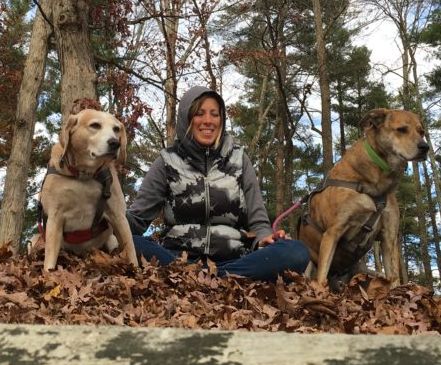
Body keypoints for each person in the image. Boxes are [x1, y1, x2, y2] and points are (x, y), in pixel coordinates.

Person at [126, 86, 311, 282]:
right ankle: (214, 278)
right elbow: (138, 219)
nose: (208, 121)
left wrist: (265, 238)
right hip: (175, 260)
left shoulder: (239, 160)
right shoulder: (167, 161)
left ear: (221, 120)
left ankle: (214, 277)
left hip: (234, 260)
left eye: (214, 114)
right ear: (186, 118)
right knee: (133, 242)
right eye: (199, 113)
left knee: (296, 251)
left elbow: (258, 221)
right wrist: (105, 221)